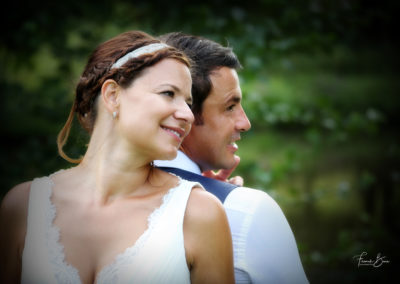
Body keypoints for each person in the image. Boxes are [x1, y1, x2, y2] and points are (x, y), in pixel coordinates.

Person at [0, 31, 235, 284]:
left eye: (188, 102)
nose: (187, 115)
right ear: (113, 96)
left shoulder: (198, 213)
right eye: (169, 93)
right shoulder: (22, 207)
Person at [155, 32, 309, 284]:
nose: (245, 123)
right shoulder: (247, 211)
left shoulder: (84, 199)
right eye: (230, 107)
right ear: (184, 115)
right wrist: (231, 200)